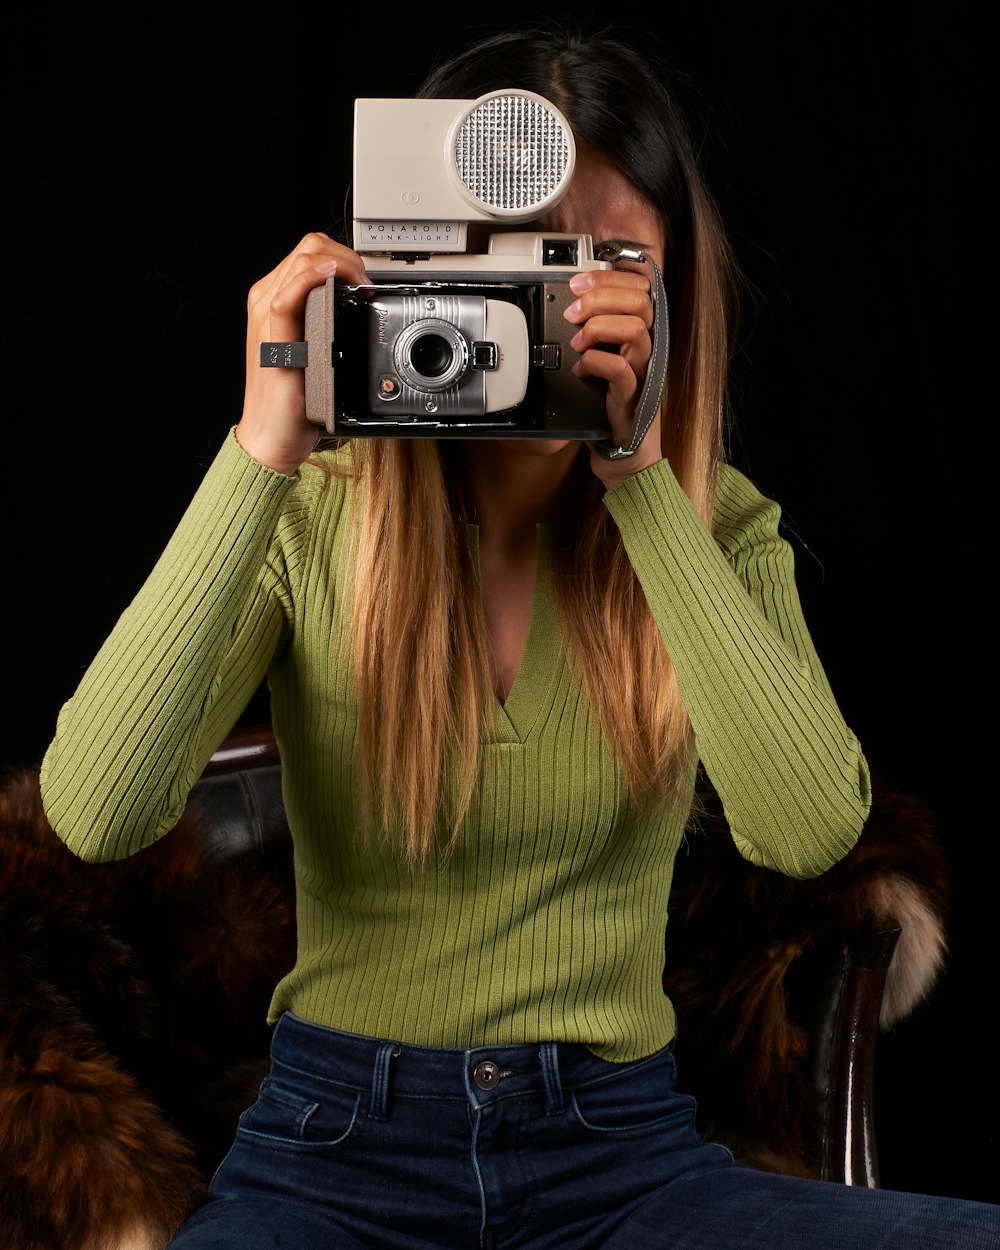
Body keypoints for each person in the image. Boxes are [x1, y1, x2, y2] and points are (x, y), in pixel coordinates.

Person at [38, 19, 998, 1250]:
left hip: (623, 1157)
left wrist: (641, 478)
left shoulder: (717, 528)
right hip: (334, 1157)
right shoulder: (312, 516)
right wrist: (262, 448)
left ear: (672, 287)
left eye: (595, 264)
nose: (546, 307)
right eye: (505, 265)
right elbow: (96, 810)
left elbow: (806, 830)